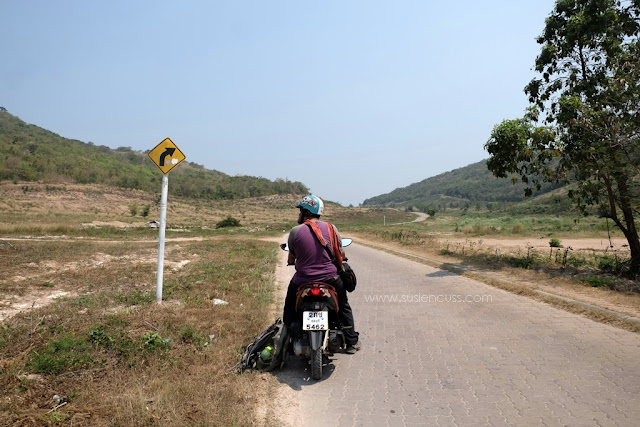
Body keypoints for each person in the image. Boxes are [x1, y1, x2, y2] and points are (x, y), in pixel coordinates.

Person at [282, 195, 361, 354]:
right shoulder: (332, 228)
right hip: (330, 279)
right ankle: (352, 342)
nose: (299, 214)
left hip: (302, 280)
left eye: (300, 211)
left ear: (305, 211)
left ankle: (287, 338)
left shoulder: (295, 231)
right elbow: (340, 251)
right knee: (343, 305)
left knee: (290, 306)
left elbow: (292, 257)